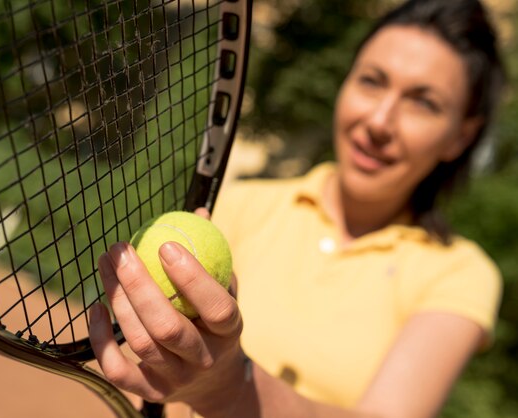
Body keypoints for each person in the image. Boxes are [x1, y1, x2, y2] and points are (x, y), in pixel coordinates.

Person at [88, 0, 507, 417]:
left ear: (460, 137)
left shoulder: (460, 274)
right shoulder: (243, 205)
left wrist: (228, 387)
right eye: (372, 81)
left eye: (423, 102)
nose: (380, 121)